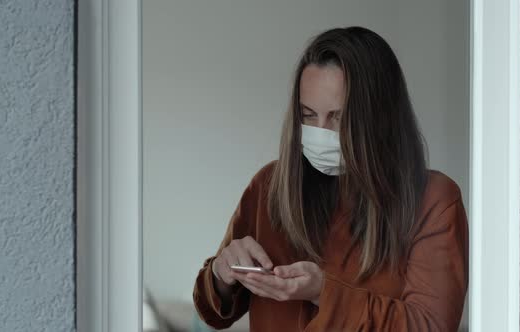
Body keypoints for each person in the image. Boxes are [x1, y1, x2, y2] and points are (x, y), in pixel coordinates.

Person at [193, 26, 468, 331]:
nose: (320, 132)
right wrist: (220, 274)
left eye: (338, 117)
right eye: (308, 115)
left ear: (379, 118)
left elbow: (430, 325)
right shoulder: (270, 185)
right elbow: (214, 312)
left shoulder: (434, 199)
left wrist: (324, 293)